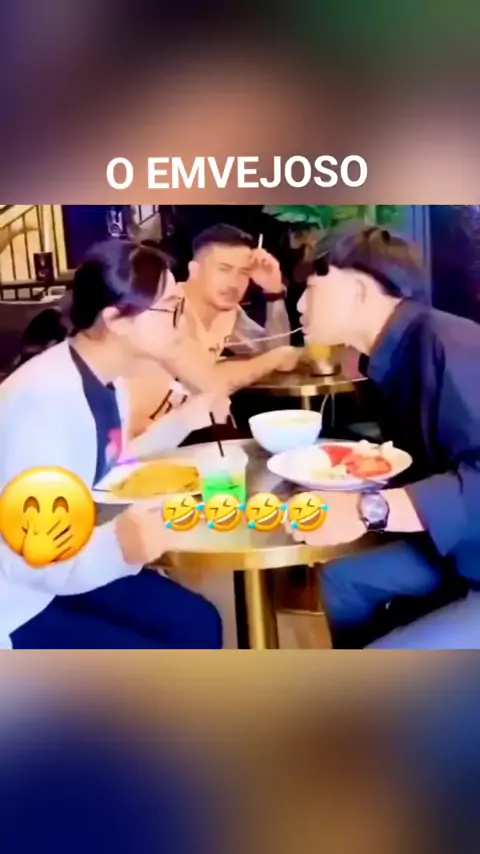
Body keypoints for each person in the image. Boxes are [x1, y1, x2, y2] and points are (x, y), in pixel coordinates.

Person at [0, 240, 226, 649]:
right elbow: (35, 553)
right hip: (18, 600)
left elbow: (110, 466)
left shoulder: (106, 378)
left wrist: (183, 421)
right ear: (116, 320)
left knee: (197, 622)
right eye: (170, 309)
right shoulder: (44, 402)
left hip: (63, 570)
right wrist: (120, 547)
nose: (182, 324)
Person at [290, 225, 480, 649]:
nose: (300, 304)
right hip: (458, 549)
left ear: (358, 291)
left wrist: (367, 509)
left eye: (312, 289)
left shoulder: (451, 345)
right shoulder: (390, 355)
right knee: (336, 582)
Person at [125, 224, 300, 439]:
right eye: (224, 269)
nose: (234, 283)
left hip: (178, 433)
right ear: (194, 270)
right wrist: (276, 358)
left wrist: (273, 292)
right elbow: (211, 382)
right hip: (132, 440)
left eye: (243, 273)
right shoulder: (168, 310)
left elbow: (275, 349)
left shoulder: (229, 312)